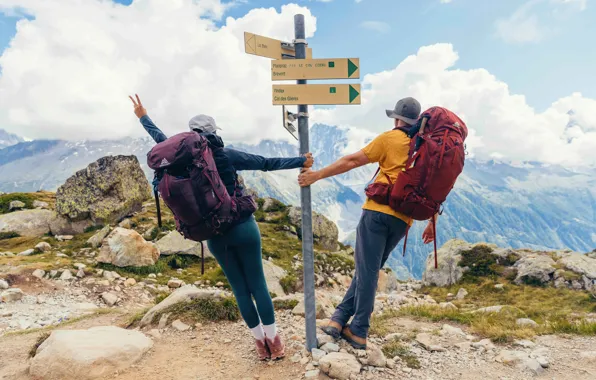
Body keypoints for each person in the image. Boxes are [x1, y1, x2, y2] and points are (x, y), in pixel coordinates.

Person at [129, 94, 314, 361]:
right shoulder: (225, 154)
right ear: (213, 133)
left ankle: (260, 347)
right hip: (243, 227)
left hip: (213, 235)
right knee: (258, 286)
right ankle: (276, 343)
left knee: (240, 290)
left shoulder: (179, 161)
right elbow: (265, 163)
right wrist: (301, 161)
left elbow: (160, 139)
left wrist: (143, 116)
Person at [298, 97, 437, 349]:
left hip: (376, 214)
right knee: (367, 269)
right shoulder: (426, 147)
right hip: (402, 222)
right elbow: (434, 187)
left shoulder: (389, 139)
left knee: (367, 271)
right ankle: (339, 319)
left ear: (397, 119)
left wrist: (317, 175)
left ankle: (359, 329)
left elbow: (352, 161)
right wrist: (431, 221)